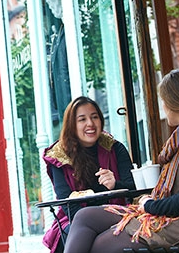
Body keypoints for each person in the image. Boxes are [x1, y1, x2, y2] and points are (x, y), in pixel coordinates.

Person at [63, 69, 179, 253]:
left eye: (164, 101)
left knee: (100, 246)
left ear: (173, 102)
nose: (163, 106)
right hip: (172, 218)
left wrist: (150, 205)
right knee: (84, 217)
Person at [42, 96, 136, 253]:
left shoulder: (115, 148)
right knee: (82, 232)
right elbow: (68, 204)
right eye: (82, 119)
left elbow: (134, 188)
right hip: (75, 220)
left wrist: (115, 184)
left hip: (116, 214)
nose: (90, 124)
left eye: (94, 117)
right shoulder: (58, 156)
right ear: (72, 125)